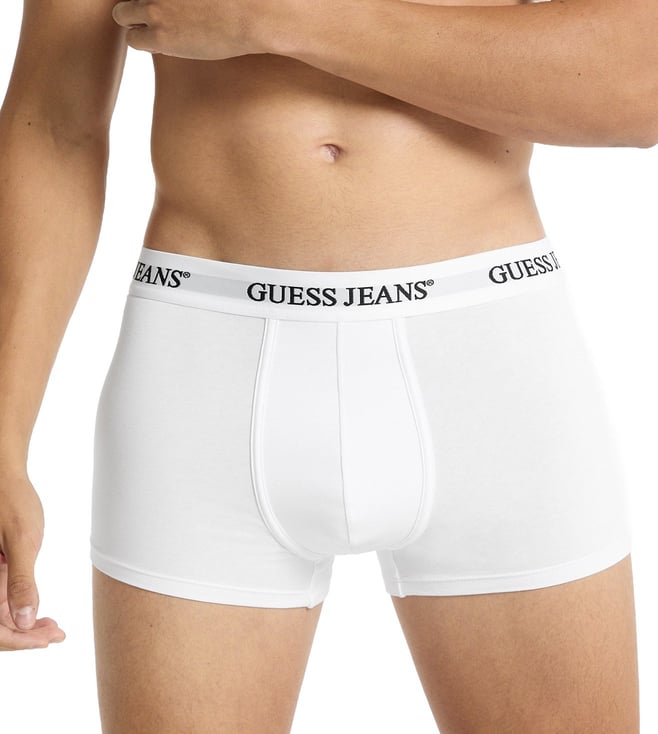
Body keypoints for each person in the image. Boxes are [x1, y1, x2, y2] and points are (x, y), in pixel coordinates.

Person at [0, 0, 654, 730]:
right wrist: (3, 437)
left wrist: (277, 18)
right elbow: (54, 126)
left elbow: (640, 81)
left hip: (483, 367)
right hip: (205, 372)